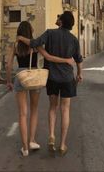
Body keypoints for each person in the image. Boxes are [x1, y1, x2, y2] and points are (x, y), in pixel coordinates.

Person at [17, 11, 83, 156]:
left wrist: (21, 37)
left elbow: (34, 43)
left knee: (53, 107)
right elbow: (78, 59)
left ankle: (52, 134)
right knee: (65, 110)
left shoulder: (50, 33)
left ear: (61, 21)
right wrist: (79, 74)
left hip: (52, 77)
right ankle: (63, 143)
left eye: (59, 16)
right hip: (67, 78)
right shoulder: (73, 39)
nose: (57, 17)